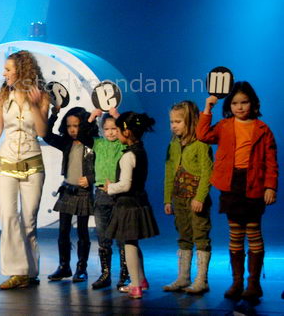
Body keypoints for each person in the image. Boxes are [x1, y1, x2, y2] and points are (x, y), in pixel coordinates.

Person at [198, 82, 277, 302]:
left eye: (244, 102)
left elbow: (271, 162)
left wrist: (270, 186)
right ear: (229, 105)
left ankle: (253, 284)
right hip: (231, 184)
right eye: (235, 103)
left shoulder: (263, 129)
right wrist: (208, 108)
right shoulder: (224, 125)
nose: (239, 107)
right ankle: (237, 282)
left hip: (253, 183)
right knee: (235, 232)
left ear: (253, 104)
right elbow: (203, 135)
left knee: (253, 231)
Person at [0, 50, 50, 290]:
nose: (4, 73)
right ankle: (16, 272)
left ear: (21, 70)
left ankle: (30, 272)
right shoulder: (2, 95)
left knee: (28, 221)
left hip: (32, 164)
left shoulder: (42, 95)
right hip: (6, 162)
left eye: (8, 69)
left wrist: (35, 104)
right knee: (9, 217)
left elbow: (42, 132)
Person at [102, 112, 160, 299]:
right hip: (139, 202)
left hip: (128, 205)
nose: (117, 134)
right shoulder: (141, 151)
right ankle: (141, 279)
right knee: (132, 242)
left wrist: (110, 188)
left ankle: (135, 285)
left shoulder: (128, 156)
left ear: (126, 132)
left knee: (129, 243)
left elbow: (125, 184)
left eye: (118, 130)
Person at [163, 101, 213, 294]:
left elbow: (207, 172)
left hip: (195, 199)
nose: (173, 126)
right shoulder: (173, 145)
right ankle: (183, 277)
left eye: (178, 122)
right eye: (171, 122)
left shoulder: (201, 144)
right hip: (179, 198)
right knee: (183, 236)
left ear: (190, 121)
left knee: (200, 235)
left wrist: (200, 197)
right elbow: (169, 173)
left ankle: (202, 280)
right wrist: (168, 199)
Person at [44, 106, 97, 283]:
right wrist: (54, 114)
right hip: (67, 190)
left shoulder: (93, 144)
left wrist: (90, 178)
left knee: (82, 232)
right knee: (63, 231)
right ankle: (64, 266)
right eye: (69, 126)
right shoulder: (67, 143)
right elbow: (46, 136)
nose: (72, 130)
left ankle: (82, 268)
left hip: (83, 193)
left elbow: (102, 167)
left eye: (76, 125)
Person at [86, 108, 129, 290]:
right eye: (107, 129)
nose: (111, 133)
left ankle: (125, 274)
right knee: (103, 236)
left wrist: (119, 117)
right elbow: (83, 134)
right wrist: (92, 117)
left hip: (119, 195)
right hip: (101, 195)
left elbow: (131, 133)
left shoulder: (123, 144)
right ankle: (105, 274)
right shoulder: (98, 143)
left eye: (114, 129)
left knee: (122, 237)